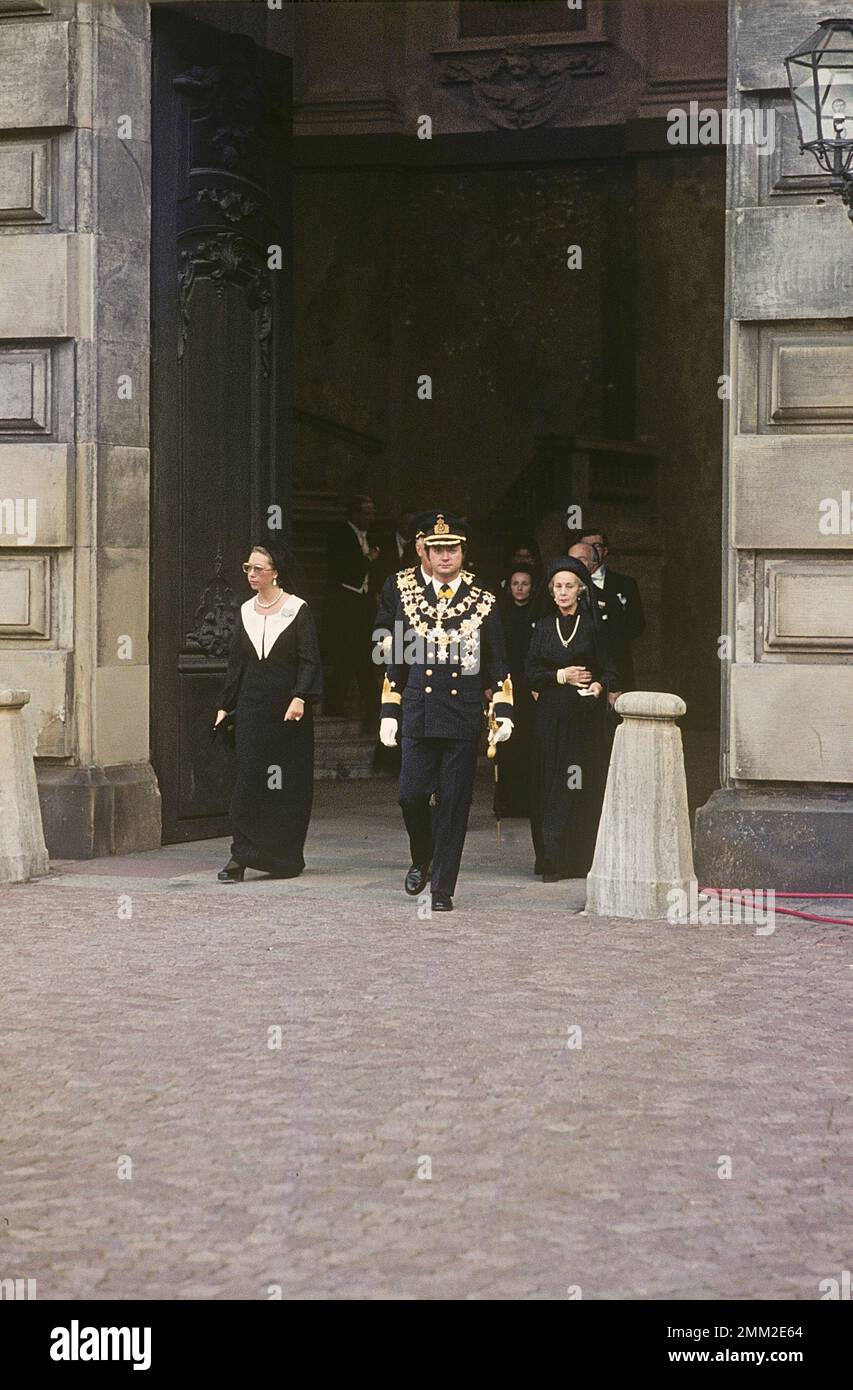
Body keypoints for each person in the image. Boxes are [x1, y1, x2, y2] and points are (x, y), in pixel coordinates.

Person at [379, 510, 514, 912]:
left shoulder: (483, 601)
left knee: (454, 803)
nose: (443, 556)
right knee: (409, 796)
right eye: (437, 549)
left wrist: (503, 711)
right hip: (418, 711)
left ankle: (443, 888)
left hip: (460, 712)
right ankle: (423, 855)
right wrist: (389, 710)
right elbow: (397, 661)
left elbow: (498, 662)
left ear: (462, 552)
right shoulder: (409, 597)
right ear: (426, 551)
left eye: (451, 548)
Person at [213, 541, 323, 881]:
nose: (251, 574)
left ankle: (283, 857)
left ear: (276, 572)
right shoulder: (245, 610)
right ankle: (240, 856)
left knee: (285, 785)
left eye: (258, 568)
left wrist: (301, 697)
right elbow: (237, 665)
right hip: (252, 710)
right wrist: (224, 705)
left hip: (288, 715)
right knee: (248, 782)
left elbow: (309, 660)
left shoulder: (297, 610)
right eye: (248, 568)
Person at [525, 555, 620, 882]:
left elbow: (610, 670)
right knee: (551, 783)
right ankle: (550, 859)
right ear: (551, 592)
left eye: (569, 586)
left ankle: (579, 860)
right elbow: (530, 674)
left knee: (580, 783)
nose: (563, 592)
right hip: (551, 717)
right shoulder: (543, 627)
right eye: (557, 587)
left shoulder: (594, 625)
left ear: (581, 590)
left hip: (584, 720)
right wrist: (559, 675)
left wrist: (597, 686)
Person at [323, 493, 381, 721]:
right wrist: (368, 559)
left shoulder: (370, 536)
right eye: (367, 513)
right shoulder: (339, 535)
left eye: (373, 512)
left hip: (363, 606)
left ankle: (363, 709)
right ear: (355, 513)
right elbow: (341, 568)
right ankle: (362, 708)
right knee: (350, 659)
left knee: (357, 659)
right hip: (344, 606)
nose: (371, 517)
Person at [493, 563, 537, 819]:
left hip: (530, 686)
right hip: (505, 685)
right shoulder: (500, 613)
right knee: (505, 743)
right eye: (515, 583)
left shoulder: (538, 613)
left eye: (525, 583)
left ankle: (528, 803)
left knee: (529, 743)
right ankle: (505, 804)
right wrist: (490, 685)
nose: (520, 588)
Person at [579, 527, 645, 690]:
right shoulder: (565, 586)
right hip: (580, 668)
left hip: (616, 665)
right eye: (586, 546)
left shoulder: (625, 584)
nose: (591, 551)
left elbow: (637, 625)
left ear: (605, 551)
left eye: (596, 545)